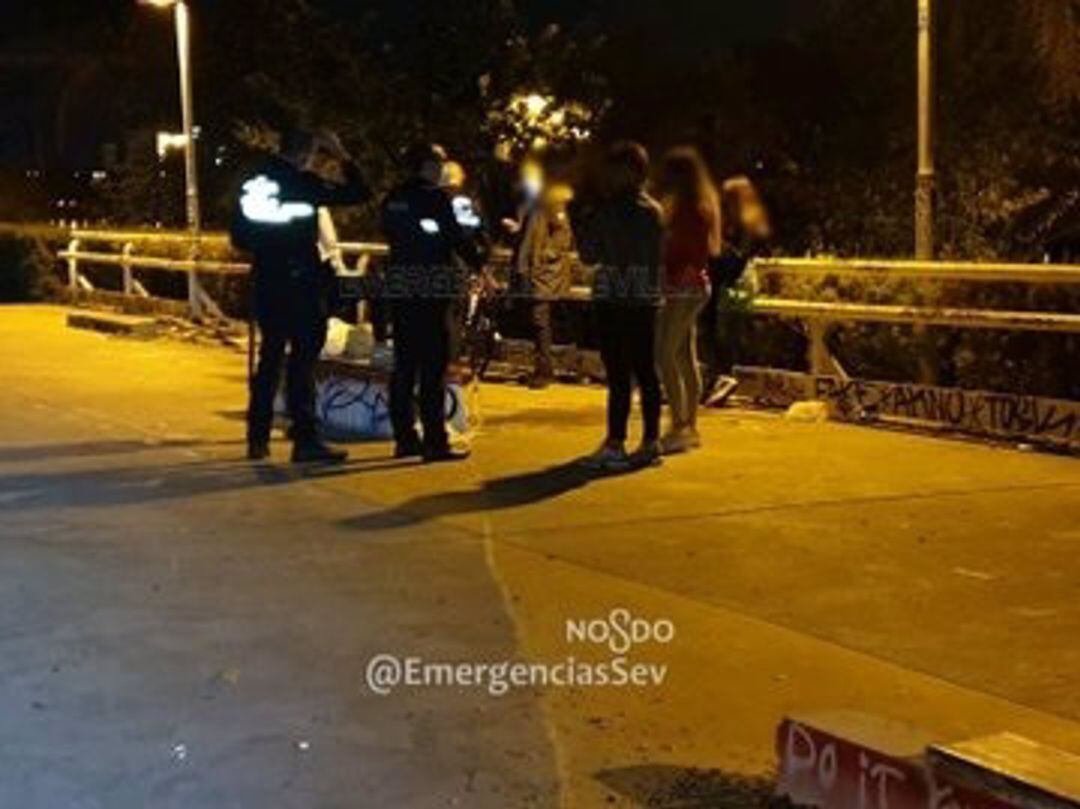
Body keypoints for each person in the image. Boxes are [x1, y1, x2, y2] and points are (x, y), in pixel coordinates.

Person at [231, 128, 371, 464]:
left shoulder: (252, 181)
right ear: (309, 154)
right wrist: (343, 155)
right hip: (300, 281)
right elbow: (359, 192)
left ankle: (257, 438)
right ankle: (305, 438)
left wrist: (269, 247)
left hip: (267, 279)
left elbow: (238, 237)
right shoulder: (303, 183)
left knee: (269, 360)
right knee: (302, 361)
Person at [381, 143, 484, 463]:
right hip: (431, 287)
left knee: (404, 365)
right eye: (439, 162)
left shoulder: (393, 198)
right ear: (428, 165)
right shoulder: (437, 198)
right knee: (432, 367)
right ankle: (435, 442)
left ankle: (404, 438)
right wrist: (481, 265)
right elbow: (457, 238)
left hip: (401, 285)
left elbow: (389, 233)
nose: (443, 168)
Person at [576, 141, 664, 471]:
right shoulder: (654, 211)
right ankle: (651, 440)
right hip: (644, 297)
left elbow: (589, 255)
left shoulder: (608, 210)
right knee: (645, 371)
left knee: (618, 375)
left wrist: (581, 220)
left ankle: (615, 442)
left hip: (613, 296)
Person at [655, 147, 721, 453]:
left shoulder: (687, 209)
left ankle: (680, 424)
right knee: (683, 354)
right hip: (693, 284)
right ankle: (689, 425)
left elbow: (680, 250)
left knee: (664, 353)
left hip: (684, 285)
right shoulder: (701, 205)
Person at [699, 175, 772, 405]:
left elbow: (732, 257)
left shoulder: (740, 223)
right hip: (735, 282)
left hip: (728, 281)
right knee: (716, 330)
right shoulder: (752, 220)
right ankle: (716, 376)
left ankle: (721, 374)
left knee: (711, 329)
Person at [514, 180, 576, 389]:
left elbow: (563, 233)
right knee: (538, 321)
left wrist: (547, 254)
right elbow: (531, 234)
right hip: (538, 272)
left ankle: (545, 371)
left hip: (544, 274)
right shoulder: (538, 204)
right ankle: (542, 368)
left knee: (540, 320)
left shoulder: (551, 203)